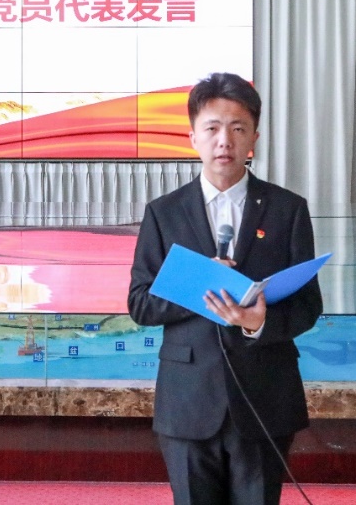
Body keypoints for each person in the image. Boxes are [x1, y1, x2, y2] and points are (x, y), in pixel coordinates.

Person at [127, 72, 322, 505]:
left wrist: (258, 322)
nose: (224, 141)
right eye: (212, 128)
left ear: (254, 137)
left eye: (237, 129)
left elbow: (308, 305)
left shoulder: (288, 209)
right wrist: (200, 286)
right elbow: (140, 303)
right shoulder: (164, 213)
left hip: (264, 395)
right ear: (193, 137)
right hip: (189, 398)